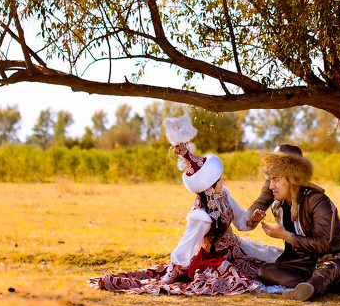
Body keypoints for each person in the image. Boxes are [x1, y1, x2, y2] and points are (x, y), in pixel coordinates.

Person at [86, 116, 280, 295]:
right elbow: (186, 246)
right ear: (209, 187)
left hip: (237, 251)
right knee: (252, 279)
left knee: (275, 259)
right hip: (215, 262)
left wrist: (252, 218)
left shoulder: (224, 195)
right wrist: (172, 273)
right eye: (219, 180)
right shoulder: (200, 216)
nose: (223, 181)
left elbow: (239, 220)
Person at [249, 146, 340, 301]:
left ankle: (313, 287)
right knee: (265, 272)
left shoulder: (317, 200)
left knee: (330, 268)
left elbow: (322, 245)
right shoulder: (278, 206)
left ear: (292, 178)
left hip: (334, 259)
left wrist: (287, 236)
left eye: (276, 179)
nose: (271, 186)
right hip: (305, 265)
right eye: (270, 180)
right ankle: (330, 286)